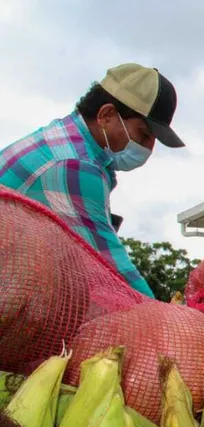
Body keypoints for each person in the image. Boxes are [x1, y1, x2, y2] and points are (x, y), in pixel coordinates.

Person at [0, 63, 185, 298]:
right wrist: (170, 322)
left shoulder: (64, 137)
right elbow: (112, 272)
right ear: (106, 115)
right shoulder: (75, 165)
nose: (149, 148)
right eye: (144, 134)